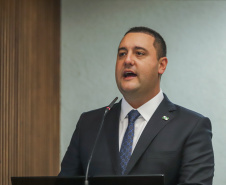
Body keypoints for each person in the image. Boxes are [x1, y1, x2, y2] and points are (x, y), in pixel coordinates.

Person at [59, 27, 214, 185]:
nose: (127, 60)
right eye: (122, 54)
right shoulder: (89, 123)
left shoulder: (191, 126)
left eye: (139, 53)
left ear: (162, 65)